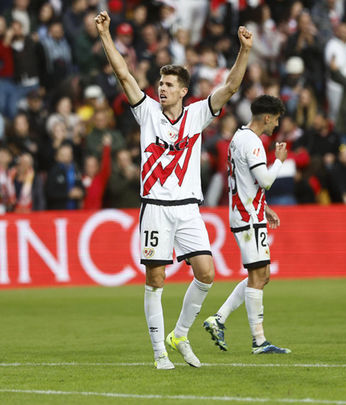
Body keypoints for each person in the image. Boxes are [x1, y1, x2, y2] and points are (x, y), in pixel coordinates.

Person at [95, 10, 252, 369]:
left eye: (168, 85)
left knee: (207, 272)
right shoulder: (146, 111)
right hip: (155, 206)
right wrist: (105, 35)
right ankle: (159, 353)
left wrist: (244, 51)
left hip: (188, 209)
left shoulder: (197, 114)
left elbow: (229, 87)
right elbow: (123, 74)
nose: (161, 88)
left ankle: (179, 334)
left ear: (183, 91)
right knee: (156, 277)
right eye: (160, 84)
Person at [202, 95, 291, 354]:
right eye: (275, 119)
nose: (276, 125)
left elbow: (244, 182)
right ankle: (258, 341)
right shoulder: (253, 142)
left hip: (249, 211)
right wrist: (280, 160)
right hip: (247, 216)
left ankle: (218, 319)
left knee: (262, 275)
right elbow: (264, 180)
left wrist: (265, 207)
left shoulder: (238, 137)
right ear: (266, 117)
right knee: (258, 275)